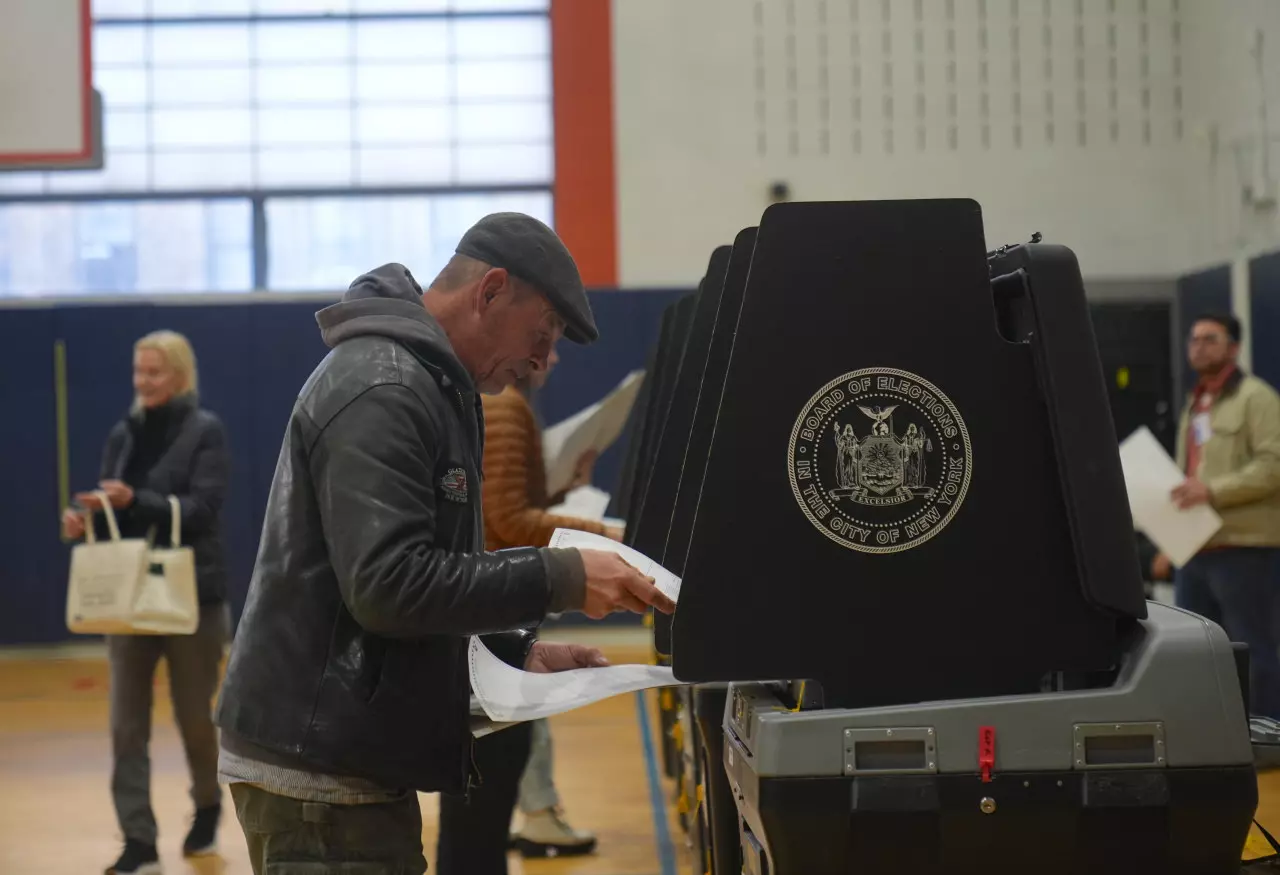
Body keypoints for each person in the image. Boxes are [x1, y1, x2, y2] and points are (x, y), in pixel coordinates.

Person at [213, 212, 676, 875]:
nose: (542, 363)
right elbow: (388, 587)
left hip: (340, 753)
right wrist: (563, 575)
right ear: (489, 291)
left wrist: (516, 653)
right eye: (539, 336)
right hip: (317, 774)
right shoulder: (387, 386)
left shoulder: (425, 382)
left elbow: (413, 582)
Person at [435, 346, 614, 874]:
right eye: (545, 340)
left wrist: (564, 487)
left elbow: (502, 503)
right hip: (495, 613)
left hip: (484, 612)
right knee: (483, 803)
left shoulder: (492, 404)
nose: (554, 359)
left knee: (478, 801)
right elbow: (509, 520)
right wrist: (605, 536)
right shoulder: (506, 405)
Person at [60, 330, 232, 875]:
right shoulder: (123, 433)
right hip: (128, 600)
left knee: (194, 719)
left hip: (192, 599)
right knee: (124, 724)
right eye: (138, 372)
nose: (143, 381)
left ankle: (207, 806)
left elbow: (203, 509)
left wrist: (139, 499)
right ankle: (138, 840)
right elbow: (117, 514)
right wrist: (85, 520)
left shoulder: (205, 430)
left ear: (180, 375)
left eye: (153, 372)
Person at [1152, 313, 1280, 717]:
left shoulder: (1256, 398)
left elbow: (1273, 465)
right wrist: (1168, 546)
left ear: (1233, 348)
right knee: (1198, 652)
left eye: (1210, 338)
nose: (1199, 346)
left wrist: (1213, 491)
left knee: (1249, 647)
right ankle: (1212, 741)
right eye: (1194, 339)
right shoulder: (1196, 403)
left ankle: (1263, 739)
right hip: (1195, 549)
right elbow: (1186, 479)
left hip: (1241, 548)